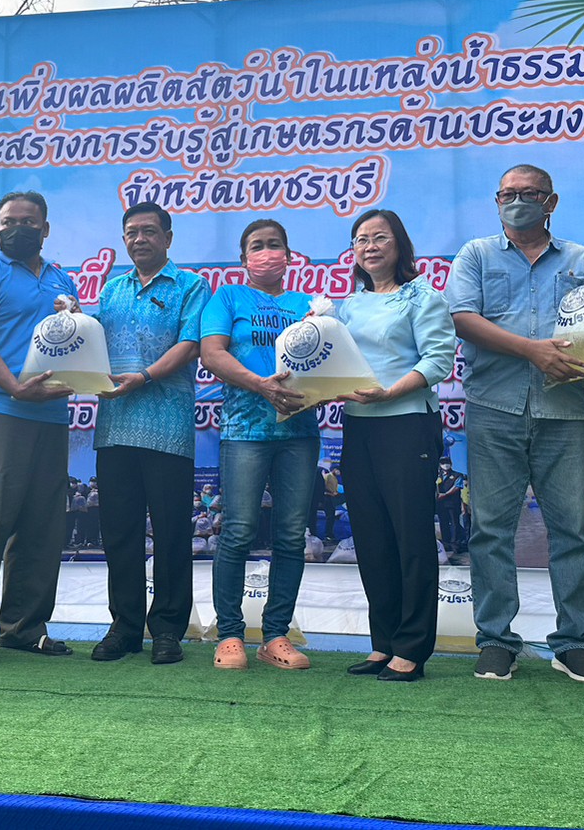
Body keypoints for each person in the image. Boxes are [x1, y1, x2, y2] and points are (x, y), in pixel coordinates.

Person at [447, 165, 584, 683]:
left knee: (572, 529)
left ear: (551, 202)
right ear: (497, 201)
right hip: (494, 407)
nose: (517, 202)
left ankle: (574, 642)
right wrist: (532, 351)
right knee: (491, 529)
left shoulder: (581, 260)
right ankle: (496, 640)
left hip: (567, 410)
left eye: (529, 194)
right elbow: (463, 318)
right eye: (507, 194)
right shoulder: (476, 255)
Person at [0, 191, 80, 667]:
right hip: (1, 413)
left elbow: (74, 344)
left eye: (27, 221)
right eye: (8, 222)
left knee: (42, 529)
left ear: (45, 228)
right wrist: (15, 387)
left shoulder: (63, 280)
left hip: (52, 418)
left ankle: (25, 629)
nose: (17, 228)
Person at [335, 209, 456, 683]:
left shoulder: (422, 296)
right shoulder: (348, 306)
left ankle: (412, 647)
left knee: (411, 536)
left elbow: (438, 360)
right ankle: (382, 642)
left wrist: (390, 392)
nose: (370, 247)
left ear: (399, 244)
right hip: (358, 427)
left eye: (380, 238)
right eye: (361, 239)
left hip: (407, 424)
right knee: (371, 537)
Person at [90, 201, 208, 665]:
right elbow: (92, 345)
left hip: (167, 428)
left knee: (172, 532)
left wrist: (144, 376)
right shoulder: (111, 290)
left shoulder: (191, 286)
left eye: (149, 231)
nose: (139, 239)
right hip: (114, 427)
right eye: (131, 233)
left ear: (168, 238)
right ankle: (124, 628)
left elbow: (191, 344)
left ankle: (167, 630)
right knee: (119, 532)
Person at [200, 218, 319, 671]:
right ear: (243, 257)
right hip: (244, 432)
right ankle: (230, 635)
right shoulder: (228, 298)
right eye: (257, 245)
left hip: (299, 435)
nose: (267, 252)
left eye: (275, 245)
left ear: (288, 254)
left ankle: (276, 637)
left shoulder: (308, 304)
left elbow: (330, 359)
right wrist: (261, 385)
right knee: (238, 531)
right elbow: (212, 353)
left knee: (290, 536)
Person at [436, 458, 466, 556]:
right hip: (441, 504)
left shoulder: (457, 475)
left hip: (453, 504)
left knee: (454, 523)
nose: (445, 465)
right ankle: (446, 543)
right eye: (443, 463)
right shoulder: (438, 475)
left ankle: (455, 543)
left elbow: (456, 487)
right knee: (443, 523)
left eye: (447, 463)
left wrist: (445, 494)